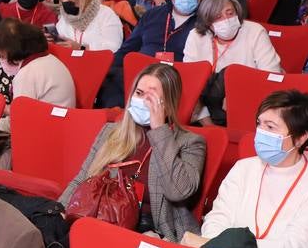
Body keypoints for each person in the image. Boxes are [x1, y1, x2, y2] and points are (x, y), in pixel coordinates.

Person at [183, 90, 308, 248]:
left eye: (271, 127)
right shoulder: (244, 168)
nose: (261, 133)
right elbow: (218, 217)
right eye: (259, 124)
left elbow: (296, 247)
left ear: (301, 138)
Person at [62, 63, 207, 238]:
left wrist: (159, 130)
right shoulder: (111, 131)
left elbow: (178, 192)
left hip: (150, 231)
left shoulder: (190, 143)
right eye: (139, 93)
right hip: (100, 219)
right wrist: (59, 211)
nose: (142, 100)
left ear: (168, 105)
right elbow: (82, 179)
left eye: (151, 96)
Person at [182, 0, 282, 122]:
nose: (226, 20)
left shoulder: (255, 31)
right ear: (208, 22)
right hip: (204, 113)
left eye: (230, 13)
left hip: (249, 106)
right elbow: (190, 87)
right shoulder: (196, 36)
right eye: (218, 17)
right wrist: (208, 126)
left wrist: (239, 94)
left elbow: (271, 76)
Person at [0, 18, 76, 109]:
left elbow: (20, 116)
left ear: (13, 51)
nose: (1, 60)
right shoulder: (51, 59)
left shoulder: (27, 74)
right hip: (62, 119)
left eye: (2, 56)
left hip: (47, 121)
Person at [51, 0, 123, 52]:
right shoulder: (66, 16)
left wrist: (81, 48)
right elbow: (60, 38)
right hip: (68, 60)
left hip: (96, 62)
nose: (63, 1)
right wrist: (52, 38)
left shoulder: (106, 15)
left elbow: (113, 48)